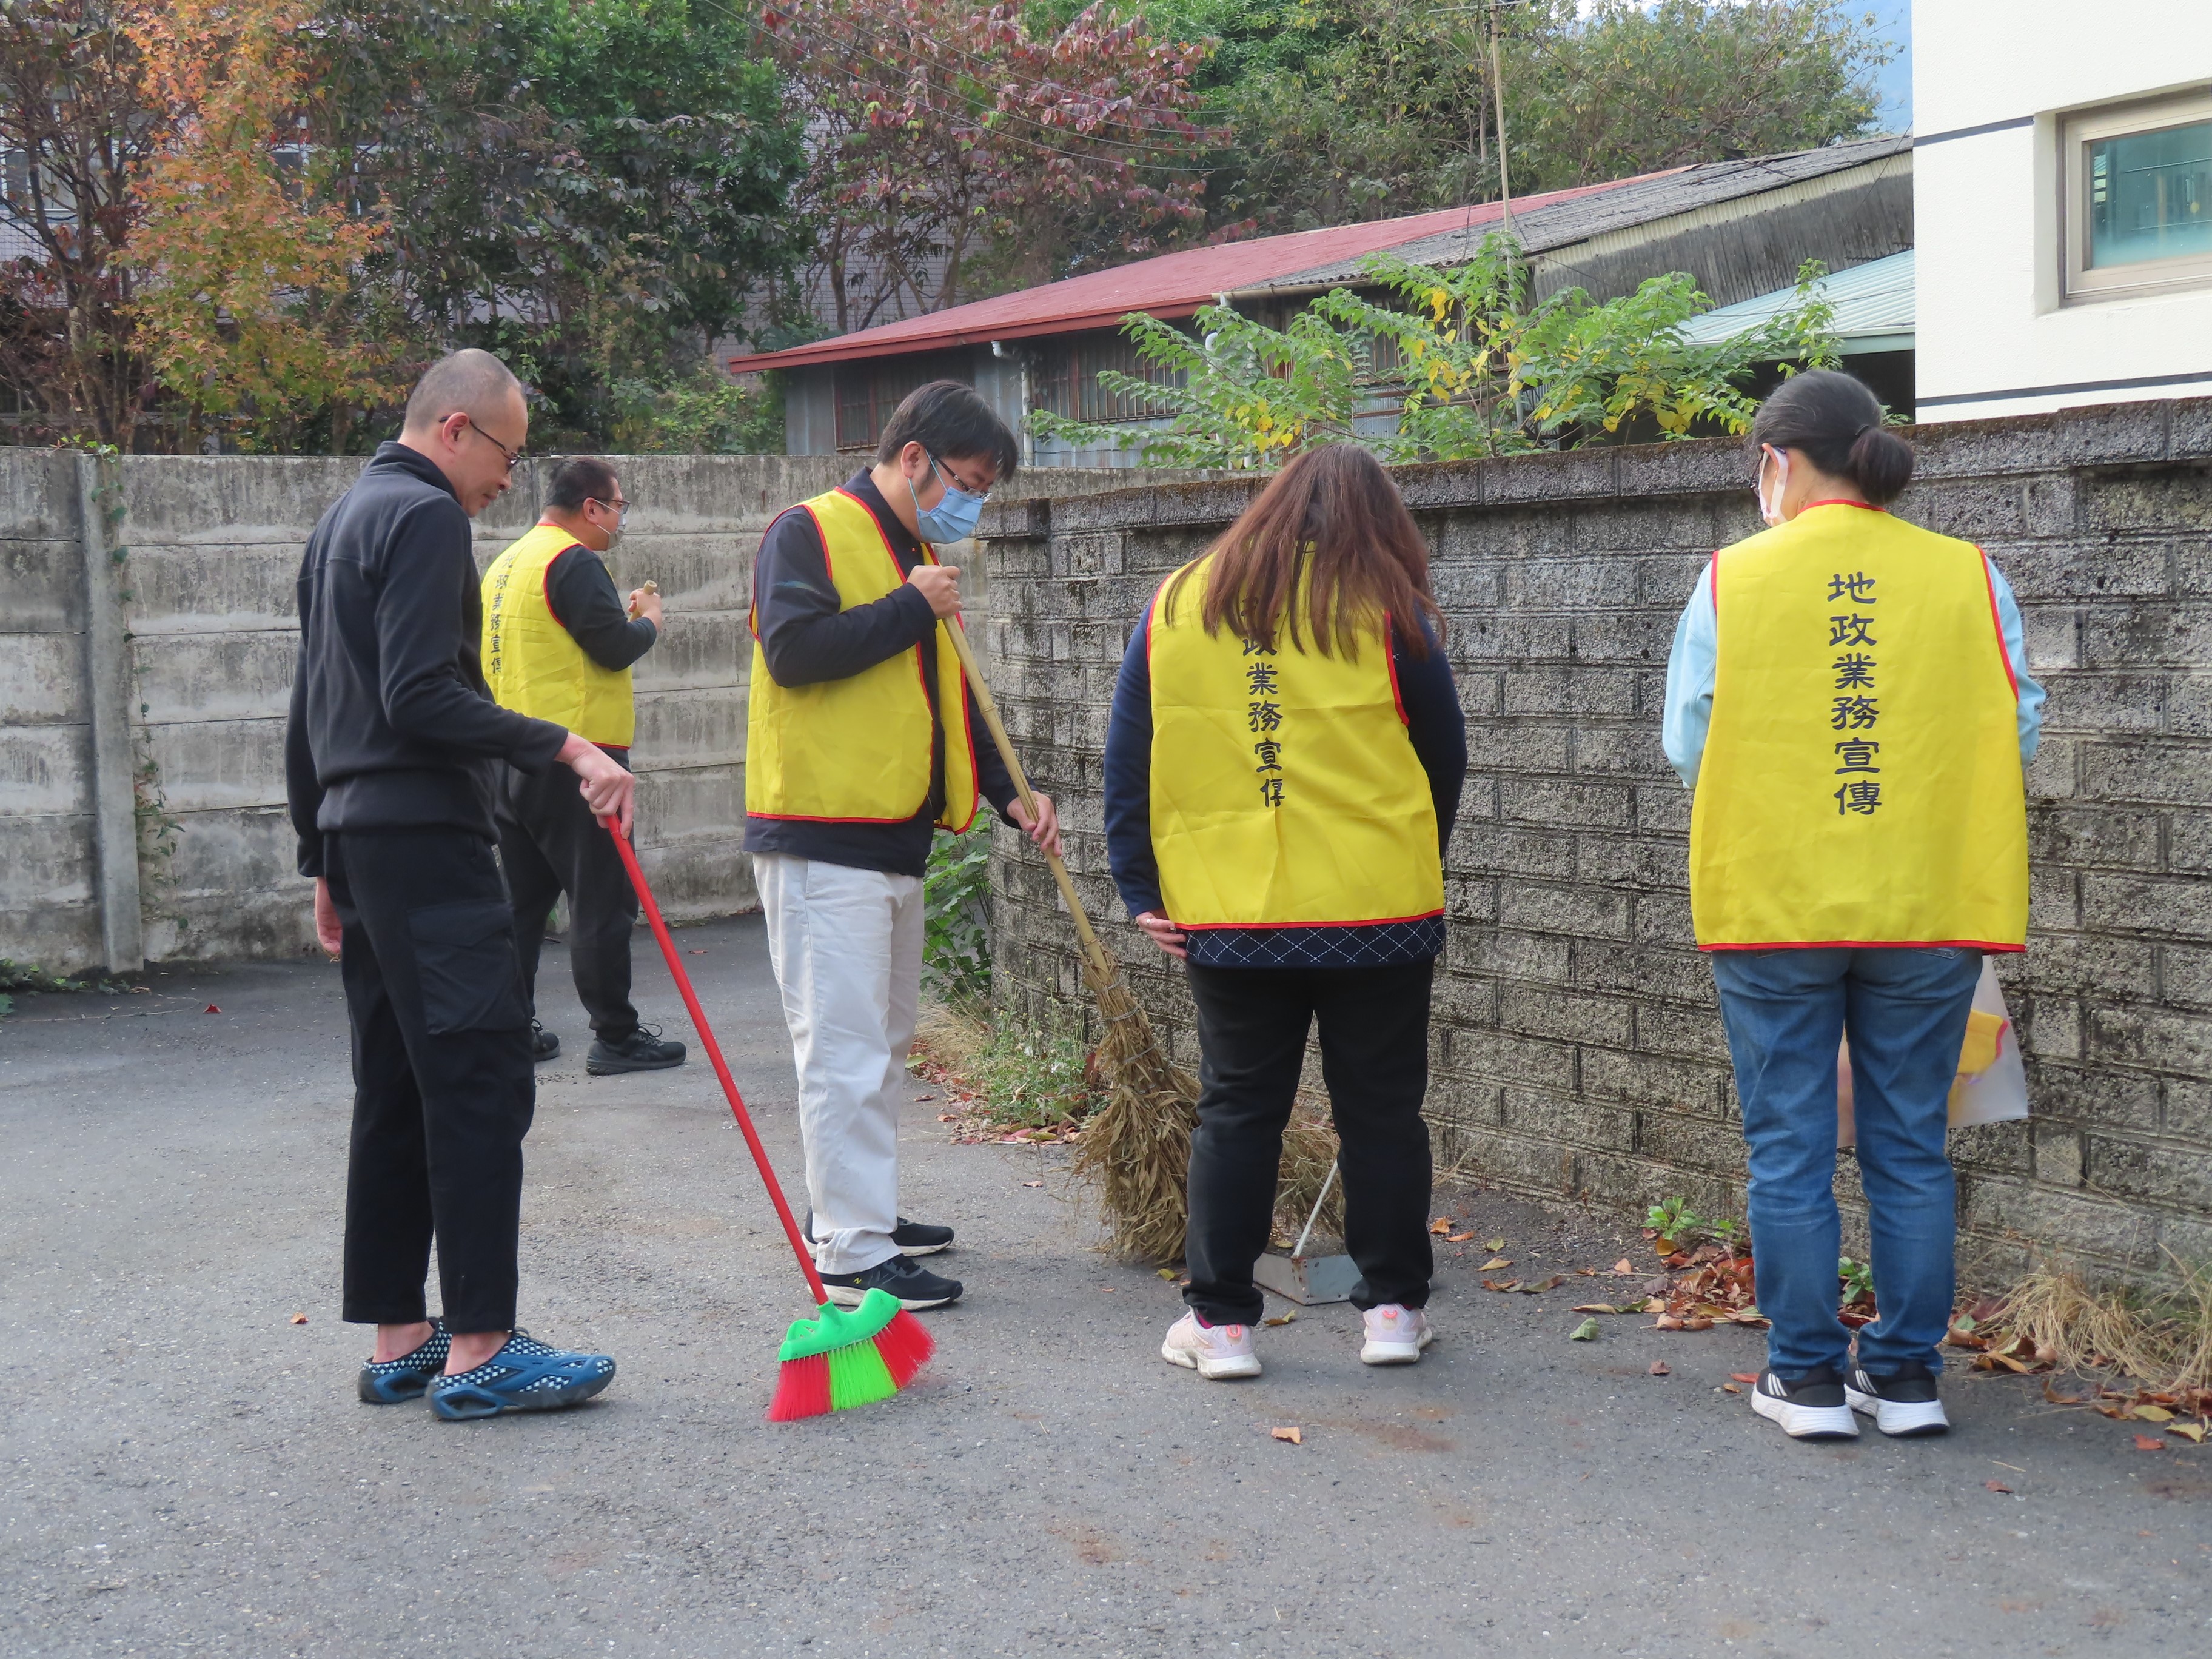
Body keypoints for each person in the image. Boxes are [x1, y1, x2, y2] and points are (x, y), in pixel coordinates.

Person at [1663, 369, 2043, 1443]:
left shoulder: (1735, 577)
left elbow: (1687, 740)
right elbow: (2014, 730)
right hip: (1927, 894)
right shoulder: (1968, 574)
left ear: (1776, 462)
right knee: (1908, 1147)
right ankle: (1907, 1380)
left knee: (1786, 1147)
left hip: (1772, 901)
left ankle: (1805, 1381)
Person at [286, 349, 635, 1421]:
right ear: (452, 428)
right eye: (505, 453)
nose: (506, 482)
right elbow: (418, 696)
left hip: (362, 838)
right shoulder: (426, 516)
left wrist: (322, 857)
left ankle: (402, 1338)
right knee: (481, 1078)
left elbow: (308, 711)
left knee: (395, 1081)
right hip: (429, 844)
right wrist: (567, 744)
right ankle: (480, 1345)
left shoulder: (341, 520)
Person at [1102, 443, 1468, 1380]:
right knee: (1383, 1114)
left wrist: (1141, 885)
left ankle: (1222, 1324)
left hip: (1229, 909)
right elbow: (1443, 755)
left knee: (1237, 1111)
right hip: (1379, 909)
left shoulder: (1176, 604)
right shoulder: (1390, 609)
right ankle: (1391, 1312)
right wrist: (1412, 857)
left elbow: (1132, 751)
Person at [746, 380, 1061, 1312]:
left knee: (880, 1045)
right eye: (966, 480)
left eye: (985, 490)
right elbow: (794, 654)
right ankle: (850, 1254)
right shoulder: (805, 531)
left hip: (889, 839)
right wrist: (911, 608)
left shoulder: (914, 551)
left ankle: (859, 1214)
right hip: (819, 834)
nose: (970, 503)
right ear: (914, 456)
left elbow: (948, 695)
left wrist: (1011, 796)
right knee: (841, 1048)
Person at [481, 455, 686, 1076]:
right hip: (582, 760)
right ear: (591, 508)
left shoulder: (507, 564)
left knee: (521, 902)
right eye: (618, 507)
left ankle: (509, 1027)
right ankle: (617, 1037)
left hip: (512, 755)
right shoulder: (574, 562)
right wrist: (648, 621)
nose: (620, 520)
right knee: (601, 899)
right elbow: (613, 647)